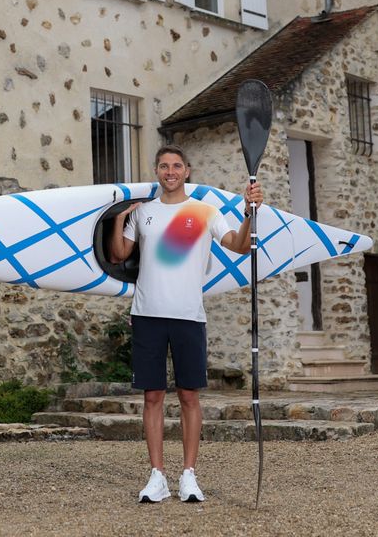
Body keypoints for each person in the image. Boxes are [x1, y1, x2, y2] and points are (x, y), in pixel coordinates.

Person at [110, 144, 263, 504]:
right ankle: (157, 476)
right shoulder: (142, 213)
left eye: (176, 165)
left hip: (189, 316)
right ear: (157, 171)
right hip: (147, 314)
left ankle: (189, 477)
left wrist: (248, 212)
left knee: (190, 397)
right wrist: (119, 218)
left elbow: (239, 246)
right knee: (152, 397)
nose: (170, 171)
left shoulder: (206, 212)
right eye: (163, 166)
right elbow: (119, 255)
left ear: (188, 170)